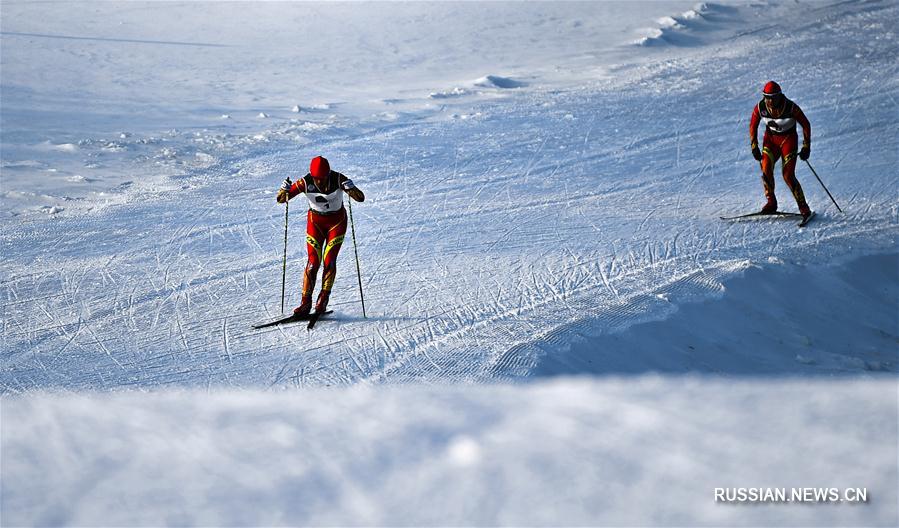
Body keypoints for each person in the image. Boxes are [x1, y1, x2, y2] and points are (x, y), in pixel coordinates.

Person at [277, 156, 365, 316]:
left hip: (336, 224)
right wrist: (283, 190)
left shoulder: (338, 178)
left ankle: (322, 300)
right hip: (315, 224)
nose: (321, 182)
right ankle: (305, 303)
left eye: (323, 178)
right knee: (312, 263)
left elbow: (360, 198)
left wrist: (352, 188)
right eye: (317, 179)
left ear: (328, 173)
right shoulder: (305, 182)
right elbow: (282, 200)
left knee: (329, 261)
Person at [749, 80, 812, 218]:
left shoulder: (790, 107)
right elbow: (753, 125)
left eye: (772, 98)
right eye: (766, 97)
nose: (769, 101)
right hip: (771, 141)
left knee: (788, 175)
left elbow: (806, 124)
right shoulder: (760, 107)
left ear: (779, 96)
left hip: (788, 141)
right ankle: (771, 202)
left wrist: (806, 146)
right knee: (766, 168)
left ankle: (803, 206)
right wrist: (754, 146)